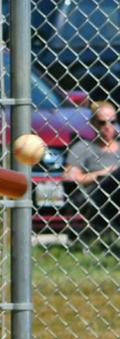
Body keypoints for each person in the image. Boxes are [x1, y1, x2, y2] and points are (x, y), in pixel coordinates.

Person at [65, 101, 120, 241]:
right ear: (93, 123)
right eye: (102, 123)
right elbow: (69, 177)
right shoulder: (83, 147)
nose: (108, 127)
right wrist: (101, 174)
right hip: (97, 193)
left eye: (112, 122)